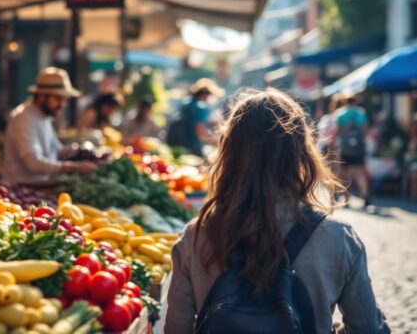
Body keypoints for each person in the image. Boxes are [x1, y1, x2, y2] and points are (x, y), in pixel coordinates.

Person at [165, 88, 389, 334]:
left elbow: (176, 329)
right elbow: (369, 328)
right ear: (302, 153)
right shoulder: (338, 238)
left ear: (228, 154)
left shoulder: (195, 237)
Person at [2, 67, 97, 184]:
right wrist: (75, 167)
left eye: (65, 100)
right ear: (42, 96)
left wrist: (82, 150)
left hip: (39, 187)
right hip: (19, 191)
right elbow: (33, 163)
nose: (63, 105)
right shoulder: (24, 118)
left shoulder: (44, 116)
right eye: (58, 99)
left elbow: (56, 150)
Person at [166, 78, 224, 156]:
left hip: (176, 144)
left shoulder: (186, 102)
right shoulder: (201, 107)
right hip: (192, 148)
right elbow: (200, 131)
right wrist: (217, 142)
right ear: (206, 95)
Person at [333, 96, 371, 209]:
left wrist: (332, 144)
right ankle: (365, 196)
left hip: (345, 148)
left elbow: (336, 132)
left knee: (344, 175)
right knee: (360, 174)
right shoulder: (361, 113)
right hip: (359, 149)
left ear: (345, 103)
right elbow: (365, 131)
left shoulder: (340, 113)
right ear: (355, 102)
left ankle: (346, 199)